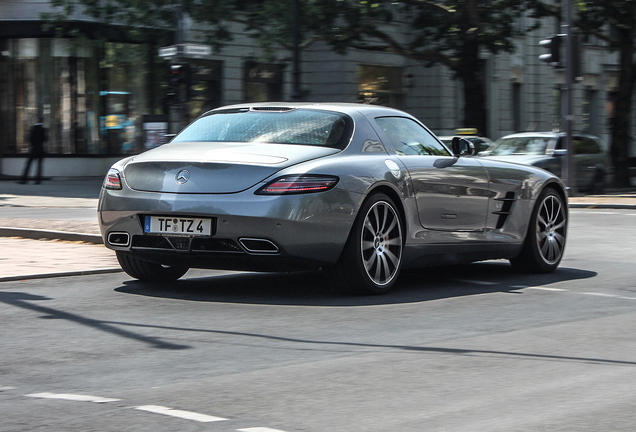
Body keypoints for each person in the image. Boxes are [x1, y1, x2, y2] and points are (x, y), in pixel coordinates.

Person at [19, 118, 47, 184]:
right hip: (40, 149)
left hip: (34, 149)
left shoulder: (33, 129)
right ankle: (38, 180)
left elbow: (31, 139)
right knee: (39, 165)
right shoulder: (43, 129)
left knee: (28, 164)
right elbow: (45, 139)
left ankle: (24, 179)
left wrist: (33, 145)